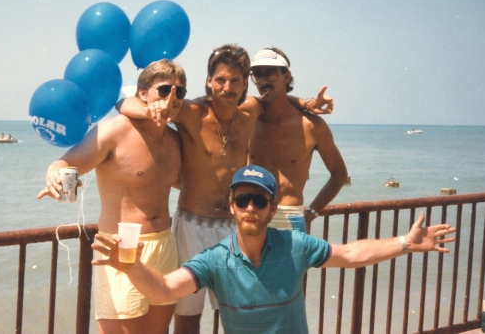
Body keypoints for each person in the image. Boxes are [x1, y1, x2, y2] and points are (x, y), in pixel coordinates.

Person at [118, 44, 333, 333]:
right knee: (188, 314)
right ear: (208, 80)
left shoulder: (251, 110)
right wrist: (149, 108)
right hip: (192, 225)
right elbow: (123, 103)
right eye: (220, 79)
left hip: (235, 226)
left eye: (235, 81)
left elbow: (277, 97)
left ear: (245, 84)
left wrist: (306, 103)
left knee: (240, 310)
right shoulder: (191, 111)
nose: (227, 87)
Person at [92, 165, 456, 334]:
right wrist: (130, 267)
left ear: (271, 208)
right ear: (232, 207)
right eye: (243, 199)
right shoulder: (217, 260)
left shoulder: (295, 244)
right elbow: (165, 289)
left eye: (259, 201)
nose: (251, 207)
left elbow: (350, 255)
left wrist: (406, 242)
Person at [37, 59, 187, 334]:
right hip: (121, 245)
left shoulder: (175, 140)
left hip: (164, 243)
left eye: (180, 92)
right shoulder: (114, 131)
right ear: (143, 93)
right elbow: (66, 163)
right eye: (165, 90)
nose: (173, 98)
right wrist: (55, 176)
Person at [248, 48, 348, 232]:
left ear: (286, 76)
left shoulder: (311, 126)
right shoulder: (248, 121)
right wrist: (307, 102)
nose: (263, 80)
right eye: (257, 74)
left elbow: (339, 174)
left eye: (271, 72)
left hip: (290, 218)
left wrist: (310, 213)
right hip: (249, 214)